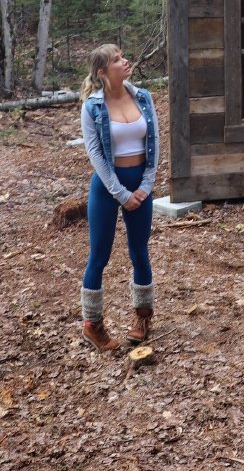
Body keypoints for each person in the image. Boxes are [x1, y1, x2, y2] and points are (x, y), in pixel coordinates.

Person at [79, 44, 159, 351]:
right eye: (116, 60)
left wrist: (146, 185)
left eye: (123, 56)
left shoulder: (143, 97)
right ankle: (93, 325)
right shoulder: (92, 107)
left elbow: (155, 143)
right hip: (107, 187)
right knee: (99, 257)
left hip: (140, 186)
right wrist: (121, 193)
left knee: (139, 251)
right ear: (102, 72)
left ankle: (142, 317)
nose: (125, 61)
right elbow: (96, 155)